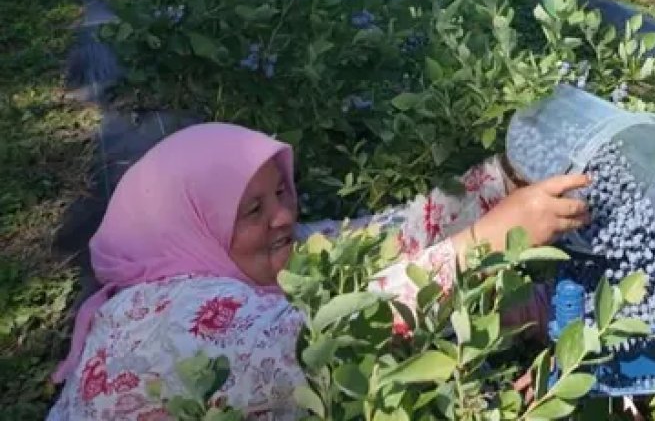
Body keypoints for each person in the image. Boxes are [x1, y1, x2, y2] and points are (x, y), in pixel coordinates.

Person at [47, 122, 591, 419]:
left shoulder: (242, 257)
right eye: (253, 209)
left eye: (282, 189)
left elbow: (385, 236)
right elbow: (332, 341)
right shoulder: (169, 318)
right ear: (195, 221)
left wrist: (507, 181)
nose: (284, 215)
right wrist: (481, 244)